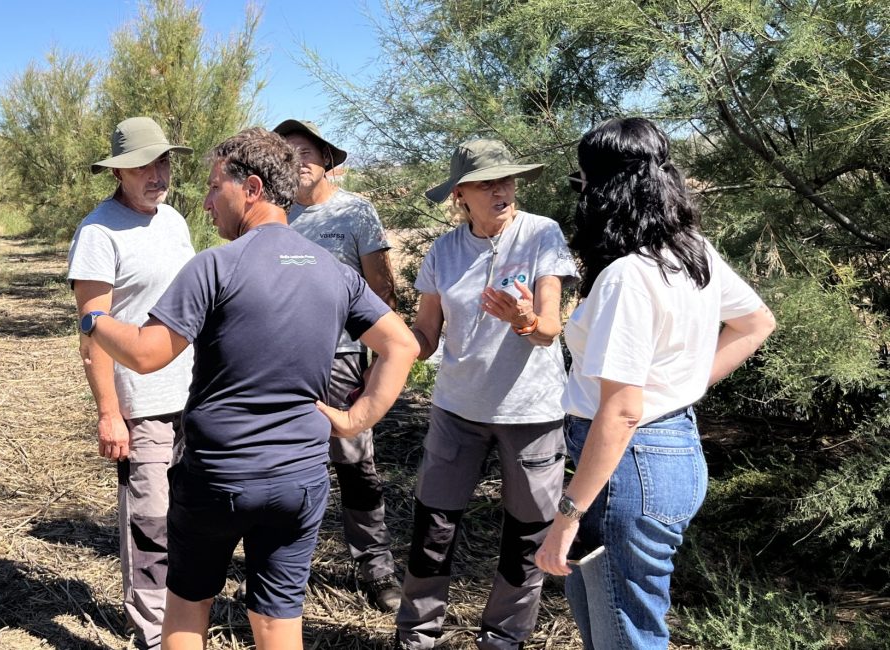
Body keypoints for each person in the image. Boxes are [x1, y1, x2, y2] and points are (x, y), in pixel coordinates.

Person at [81, 127, 419, 650]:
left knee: (188, 609)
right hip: (301, 478)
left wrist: (93, 322)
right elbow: (402, 346)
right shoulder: (331, 271)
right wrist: (357, 419)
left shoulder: (215, 266)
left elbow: (147, 355)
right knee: (278, 619)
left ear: (253, 188)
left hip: (220, 475)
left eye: (216, 187)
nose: (207, 200)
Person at [535, 117, 776, 648]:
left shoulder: (629, 275)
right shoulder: (691, 253)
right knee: (615, 620)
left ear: (603, 191)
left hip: (630, 464)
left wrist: (566, 517)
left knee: (626, 634)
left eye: (583, 183)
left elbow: (621, 411)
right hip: (665, 453)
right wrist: (682, 386)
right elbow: (757, 322)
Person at [398, 140, 577, 649]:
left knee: (526, 537)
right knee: (433, 527)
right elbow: (427, 333)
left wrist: (524, 320)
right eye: (486, 183)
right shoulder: (444, 251)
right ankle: (417, 635)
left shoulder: (541, 234)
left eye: (507, 179)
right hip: (457, 409)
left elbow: (549, 327)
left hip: (532, 412)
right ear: (461, 195)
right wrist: (388, 344)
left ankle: (502, 638)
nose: (501, 190)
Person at [67, 116, 196, 650]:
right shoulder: (98, 232)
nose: (156, 173)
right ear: (118, 172)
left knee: (186, 515)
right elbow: (92, 332)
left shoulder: (174, 221)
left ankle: (180, 625)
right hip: (141, 401)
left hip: (192, 394)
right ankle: (150, 633)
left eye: (162, 161)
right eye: (143, 165)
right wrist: (109, 412)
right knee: (150, 521)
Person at [271, 118, 403, 612]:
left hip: (343, 359)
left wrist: (377, 364)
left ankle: (376, 567)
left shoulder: (356, 213)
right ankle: (283, 567)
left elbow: (382, 291)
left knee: (355, 465)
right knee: (285, 465)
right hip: (284, 363)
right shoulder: (274, 215)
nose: (297, 162)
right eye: (286, 154)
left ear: (326, 159)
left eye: (305, 152)